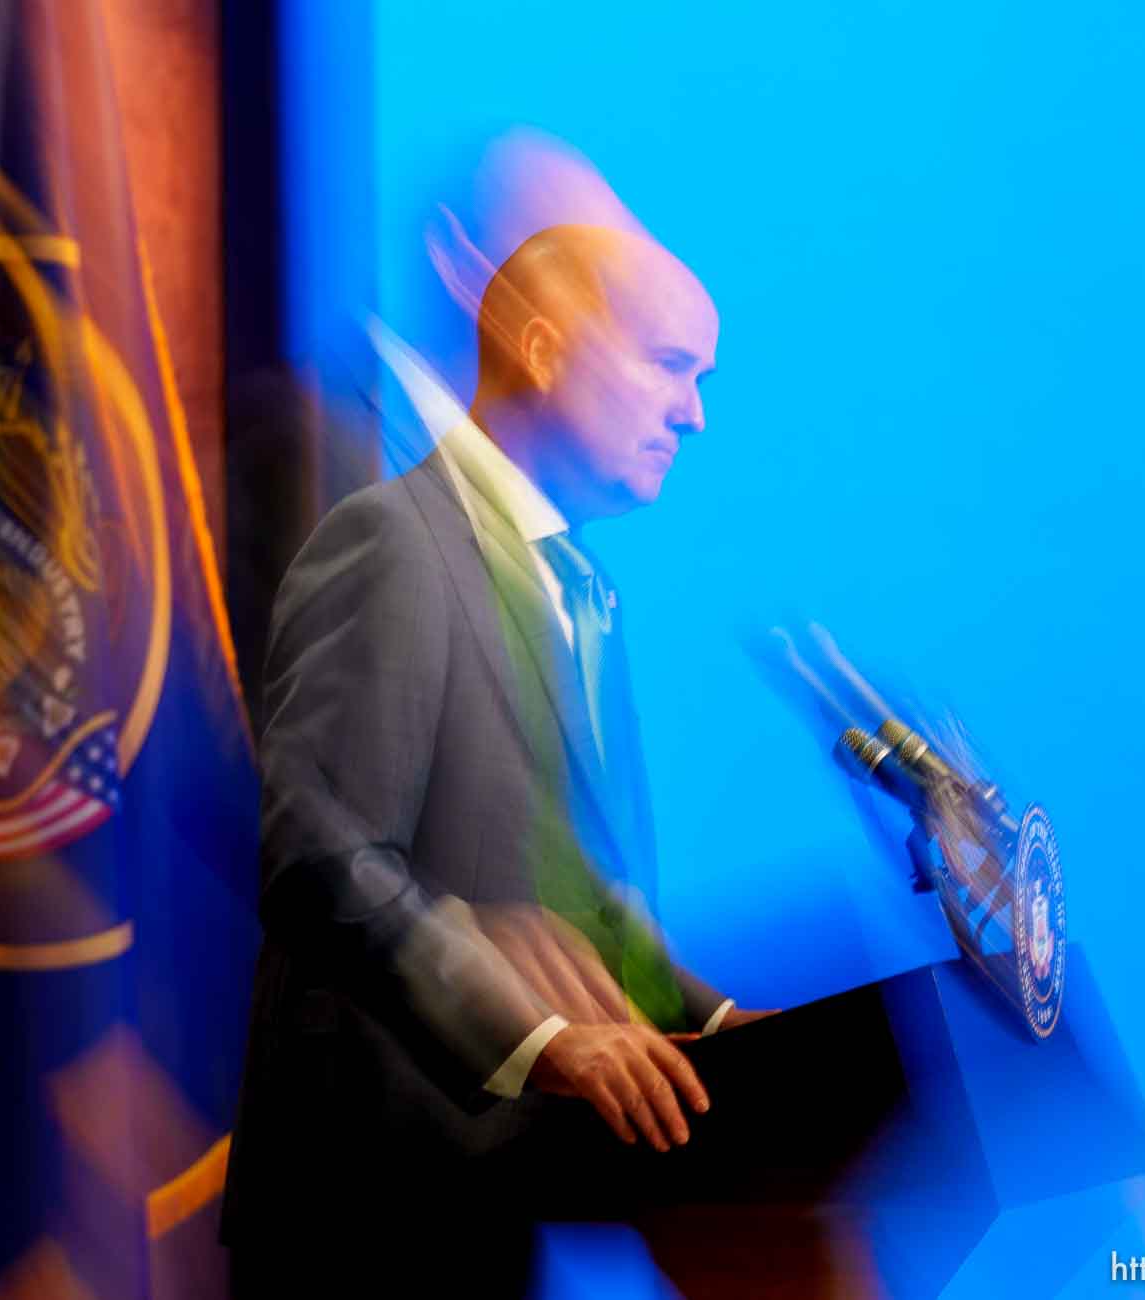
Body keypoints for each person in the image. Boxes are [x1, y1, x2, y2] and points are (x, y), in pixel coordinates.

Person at [220, 224, 769, 1296]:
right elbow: (323, 857)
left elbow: (584, 903)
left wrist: (716, 1029)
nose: (695, 413)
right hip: (364, 1230)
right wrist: (546, 1039)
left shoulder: (581, 593)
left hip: (499, 1226)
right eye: (669, 366)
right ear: (544, 347)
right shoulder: (392, 542)